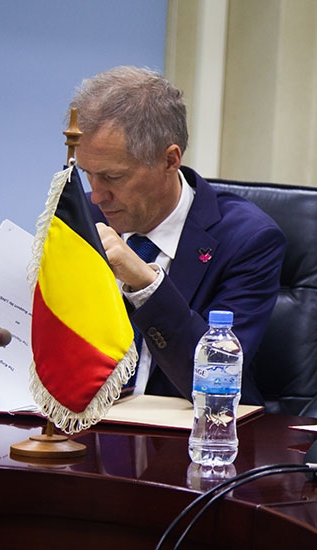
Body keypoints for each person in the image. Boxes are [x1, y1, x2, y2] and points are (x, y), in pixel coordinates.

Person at [69, 66, 286, 405]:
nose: (96, 196)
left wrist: (146, 286)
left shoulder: (249, 240)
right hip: (90, 431)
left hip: (193, 437)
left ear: (170, 160)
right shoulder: (82, 218)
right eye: (88, 175)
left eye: (112, 177)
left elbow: (214, 380)